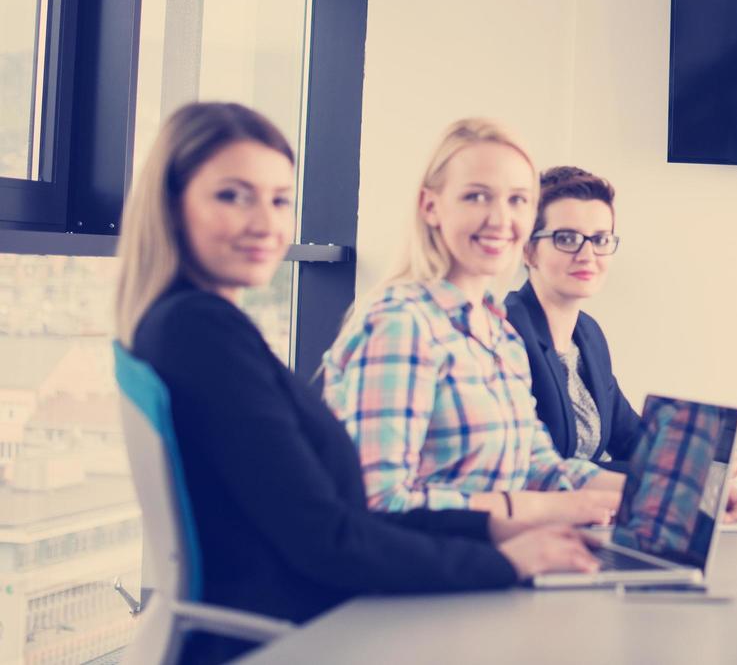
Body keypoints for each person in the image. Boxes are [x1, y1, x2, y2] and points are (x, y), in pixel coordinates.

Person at [119, 103, 597, 665]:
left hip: (335, 614)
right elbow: (332, 537)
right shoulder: (198, 333)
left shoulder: (201, 326)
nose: (265, 224)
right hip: (306, 632)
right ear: (172, 205)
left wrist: (570, 515)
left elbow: (334, 522)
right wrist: (512, 558)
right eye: (232, 196)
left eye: (279, 200)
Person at [323, 119, 625, 522]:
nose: (501, 219)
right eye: (477, 197)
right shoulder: (402, 324)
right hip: (421, 579)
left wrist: (676, 499)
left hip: (494, 567)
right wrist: (536, 509)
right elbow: (378, 503)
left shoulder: (499, 333)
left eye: (518, 200)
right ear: (431, 207)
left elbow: (543, 470)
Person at [506, 166, 642, 472]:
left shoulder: (588, 334)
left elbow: (631, 439)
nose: (587, 254)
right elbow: (544, 471)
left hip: (591, 515)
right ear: (528, 251)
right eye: (567, 238)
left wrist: (701, 462)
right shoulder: (507, 332)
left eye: (600, 239)